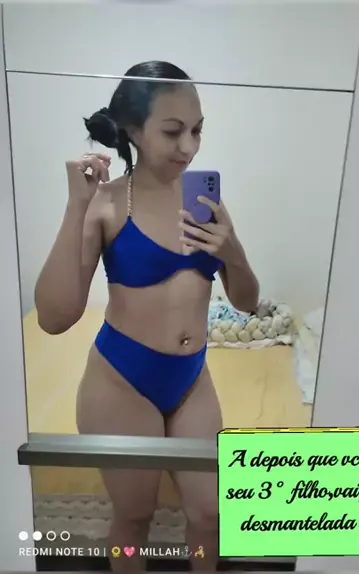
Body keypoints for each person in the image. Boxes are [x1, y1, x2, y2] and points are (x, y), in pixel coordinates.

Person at [35, 61, 259, 572]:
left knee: (211, 513)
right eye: (173, 131)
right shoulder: (106, 204)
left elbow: (247, 302)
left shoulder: (206, 203)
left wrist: (233, 252)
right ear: (133, 131)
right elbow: (54, 317)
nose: (189, 147)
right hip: (122, 381)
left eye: (197, 130)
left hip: (191, 379)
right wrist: (76, 205)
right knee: (135, 515)